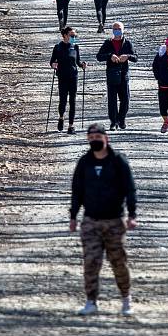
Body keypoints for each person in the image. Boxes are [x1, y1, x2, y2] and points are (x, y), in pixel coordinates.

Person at [70, 123, 137, 316]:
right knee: (91, 262)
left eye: (97, 138)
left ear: (106, 138)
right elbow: (77, 191)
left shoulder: (118, 161)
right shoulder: (84, 163)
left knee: (118, 262)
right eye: (90, 139)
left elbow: (130, 189)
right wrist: (73, 216)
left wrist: (132, 215)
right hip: (90, 221)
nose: (94, 141)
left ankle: (126, 299)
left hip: (114, 221)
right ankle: (91, 301)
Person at [96, 21, 138, 130]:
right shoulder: (108, 43)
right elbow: (99, 56)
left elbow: (136, 57)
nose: (117, 31)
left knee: (125, 99)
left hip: (124, 74)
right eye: (115, 29)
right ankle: (113, 122)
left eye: (119, 29)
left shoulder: (127, 43)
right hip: (112, 74)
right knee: (112, 100)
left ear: (123, 30)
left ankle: (121, 119)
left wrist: (127, 56)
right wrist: (110, 56)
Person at [50, 26, 86, 134]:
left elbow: (78, 62)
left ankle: (71, 126)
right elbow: (52, 61)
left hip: (73, 76)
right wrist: (54, 65)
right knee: (63, 101)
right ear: (65, 35)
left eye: (75, 36)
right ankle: (61, 117)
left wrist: (82, 65)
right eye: (72, 36)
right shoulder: (58, 47)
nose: (74, 38)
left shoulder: (75, 47)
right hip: (62, 77)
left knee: (73, 101)